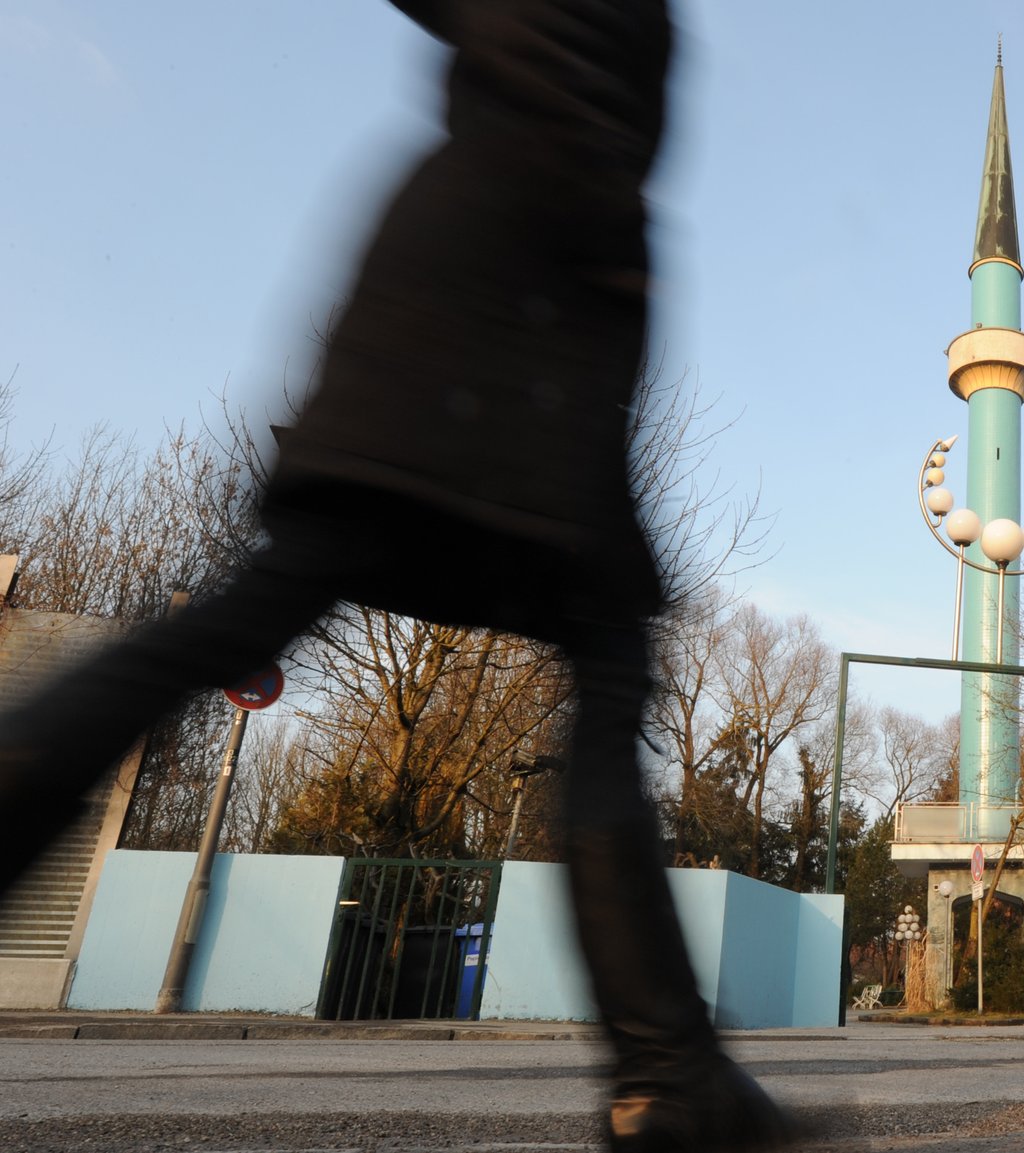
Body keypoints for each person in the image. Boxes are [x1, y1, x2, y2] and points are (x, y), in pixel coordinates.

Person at [0, 3, 791, 1149]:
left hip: (441, 252)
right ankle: (667, 1076)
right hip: (565, 296)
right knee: (608, 674)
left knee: (264, 600)